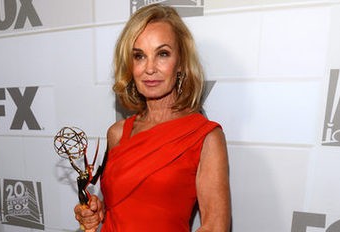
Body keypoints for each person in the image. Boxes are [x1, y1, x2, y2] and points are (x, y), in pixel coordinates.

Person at [73, 4, 231, 232]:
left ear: (181, 63)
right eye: (139, 56)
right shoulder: (117, 133)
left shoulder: (205, 137)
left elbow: (215, 227)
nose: (149, 68)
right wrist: (96, 213)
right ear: (130, 64)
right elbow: (121, 210)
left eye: (162, 54)